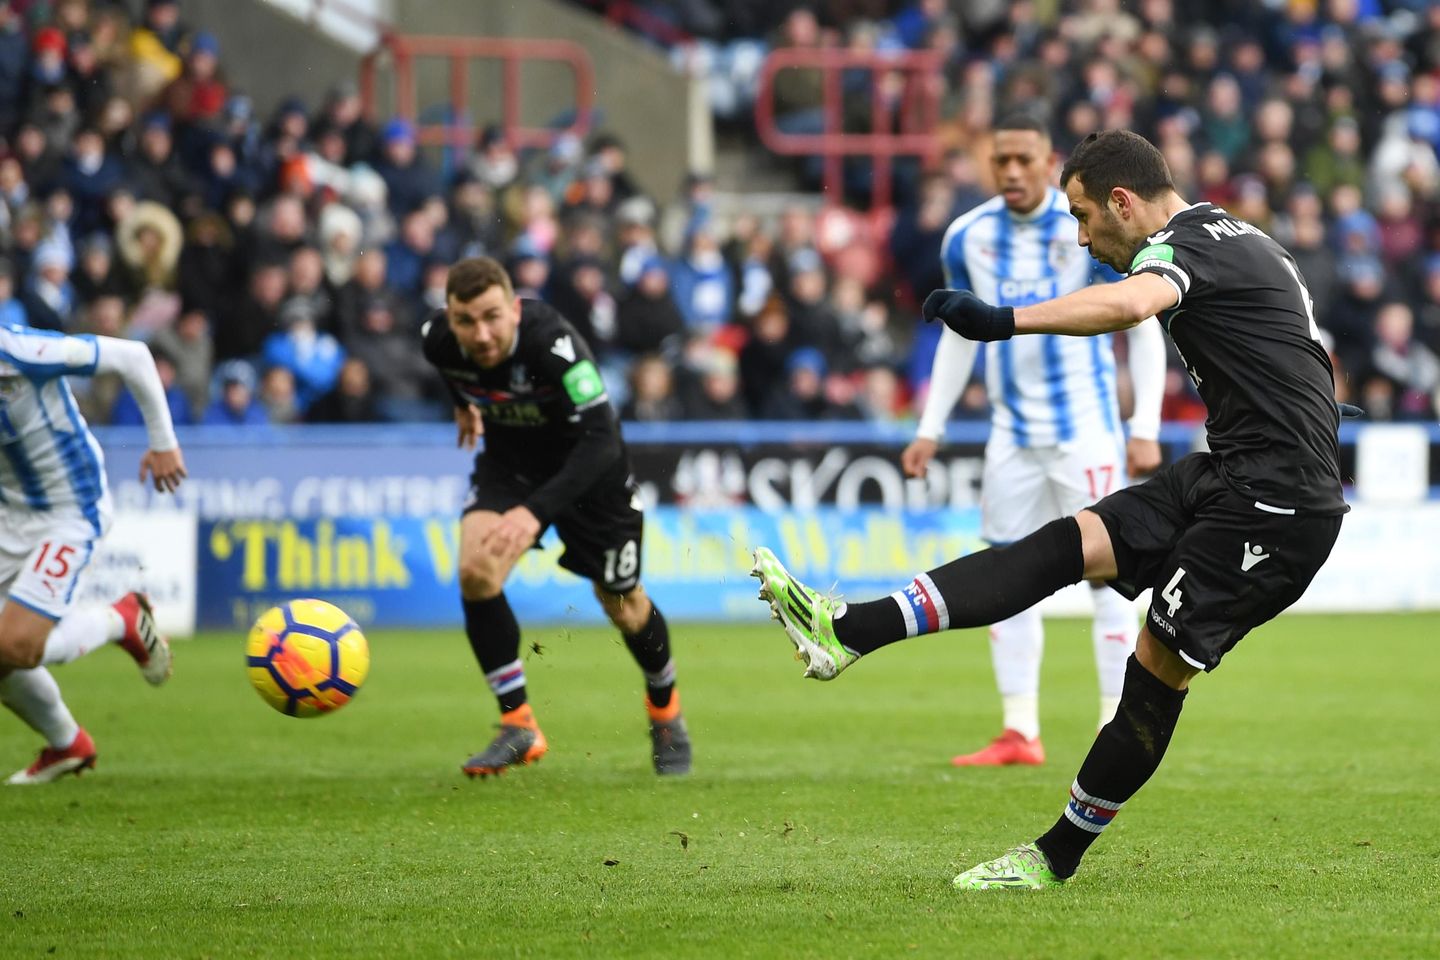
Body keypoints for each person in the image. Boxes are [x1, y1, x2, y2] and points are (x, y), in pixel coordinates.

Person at [751, 130, 1347, 888]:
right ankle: (848, 632)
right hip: (1232, 470)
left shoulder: (1186, 248)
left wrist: (1005, 320)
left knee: (1155, 670)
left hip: (1277, 505)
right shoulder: (1237, 235)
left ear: (1122, 203)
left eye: (1083, 217)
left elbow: (1130, 304)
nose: (1082, 238)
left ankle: (1053, 857)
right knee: (1066, 544)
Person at [900, 114, 1167, 766]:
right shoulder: (969, 236)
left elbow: (1141, 323)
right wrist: (930, 427)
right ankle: (1020, 729)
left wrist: (1144, 427)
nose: (1013, 171)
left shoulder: (1086, 225)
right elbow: (961, 334)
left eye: (1025, 159)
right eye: (1002, 160)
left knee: (1112, 579)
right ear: (989, 165)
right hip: (1011, 439)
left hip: (1087, 434)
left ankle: (1115, 721)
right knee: (1006, 576)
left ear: (1049, 162)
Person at [421, 256, 690, 777]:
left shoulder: (553, 342)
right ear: (449, 317)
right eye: (465, 321)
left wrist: (534, 511)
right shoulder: (437, 340)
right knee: (476, 572)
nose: (480, 334)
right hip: (511, 466)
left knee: (623, 602)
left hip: (589, 473)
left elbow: (602, 438)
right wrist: (462, 402)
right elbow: (453, 368)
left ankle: (665, 709)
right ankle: (518, 724)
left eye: (492, 317)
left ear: (514, 309)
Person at [0, 321, 188, 784]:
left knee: (14, 645)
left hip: (70, 510)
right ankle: (68, 744)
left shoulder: (20, 351)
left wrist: (163, 443)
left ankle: (118, 619)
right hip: (9, 514)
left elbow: (133, 356)